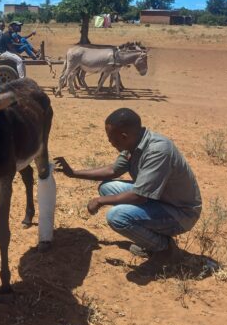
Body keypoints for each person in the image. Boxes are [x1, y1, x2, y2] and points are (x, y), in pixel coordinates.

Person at [54, 108, 202, 269]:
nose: (109, 142)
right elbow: (113, 171)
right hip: (160, 200)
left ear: (124, 136)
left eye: (111, 138)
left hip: (180, 213)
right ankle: (152, 238)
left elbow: (139, 197)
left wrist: (100, 201)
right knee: (107, 188)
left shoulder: (158, 151)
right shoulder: (134, 143)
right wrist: (73, 173)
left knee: (117, 217)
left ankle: (165, 249)